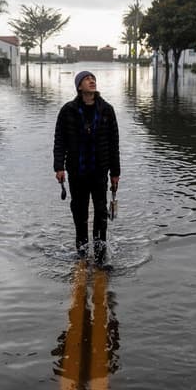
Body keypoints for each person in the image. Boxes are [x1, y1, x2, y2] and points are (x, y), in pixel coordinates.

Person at [54, 71, 120, 263]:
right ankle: (81, 254)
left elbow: (114, 143)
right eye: (87, 79)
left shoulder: (107, 110)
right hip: (77, 172)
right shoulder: (68, 110)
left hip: (100, 172)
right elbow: (60, 141)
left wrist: (115, 173)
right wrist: (59, 167)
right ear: (79, 87)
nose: (92, 81)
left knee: (101, 214)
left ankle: (100, 256)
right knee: (79, 212)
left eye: (93, 79)